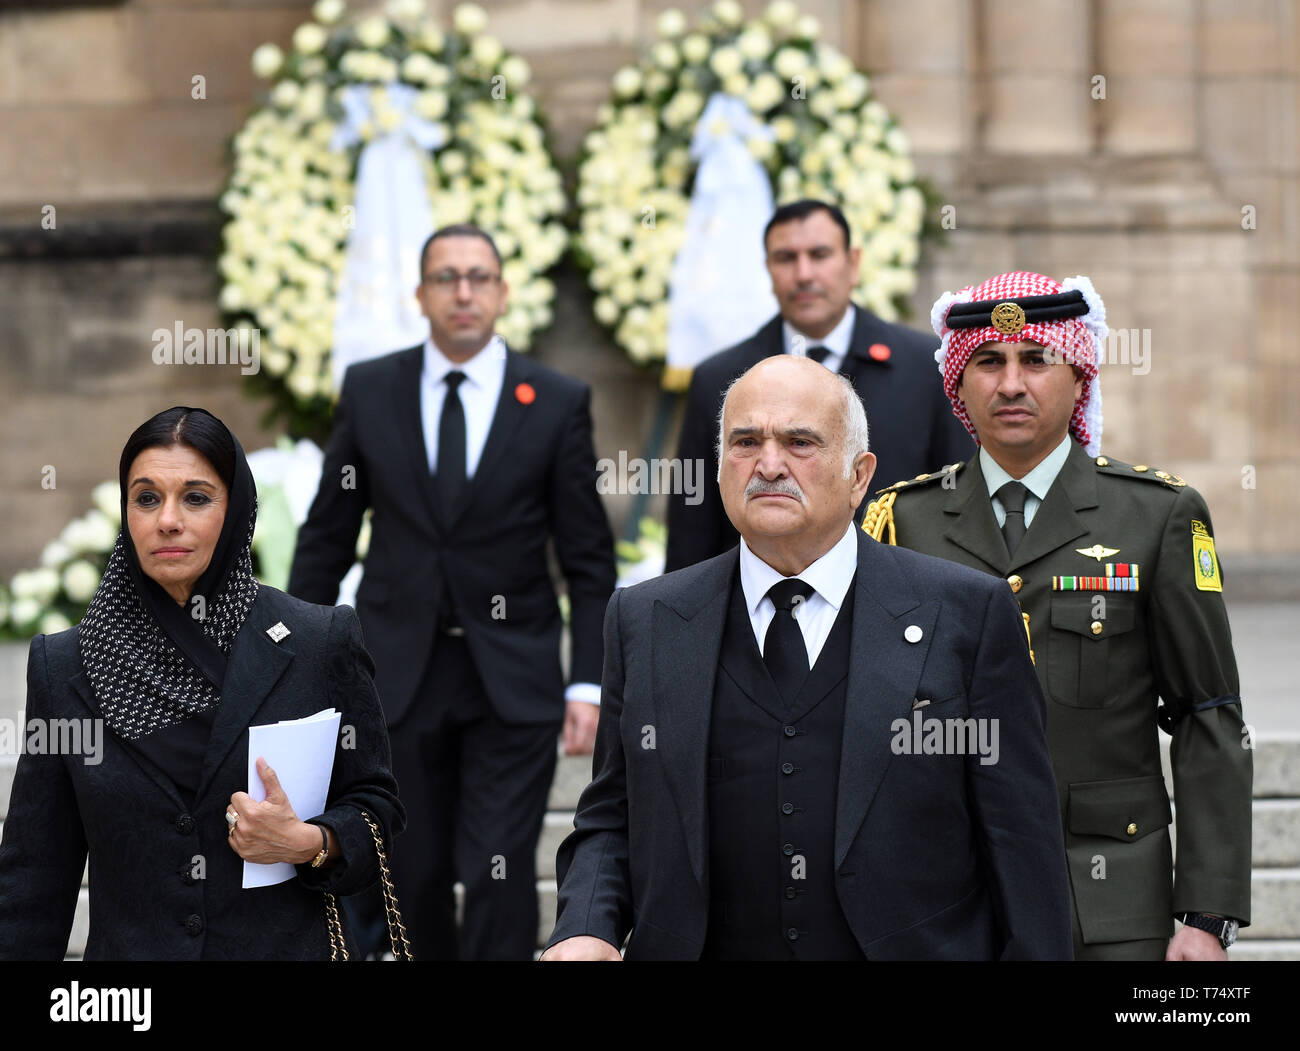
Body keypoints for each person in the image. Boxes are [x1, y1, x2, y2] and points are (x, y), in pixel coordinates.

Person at [543, 355, 1071, 960]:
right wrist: (584, 925)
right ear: (719, 472)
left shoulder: (966, 614)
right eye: (746, 442)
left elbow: (1022, 843)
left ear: (859, 475)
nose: (769, 465)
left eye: (800, 442)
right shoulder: (646, 619)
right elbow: (613, 817)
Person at [862, 270, 1252, 960]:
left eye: (1036, 359)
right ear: (958, 384)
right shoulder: (904, 521)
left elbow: (1207, 711)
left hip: (1109, 906)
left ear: (1078, 375)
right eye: (988, 361)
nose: (1011, 384)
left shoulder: (1155, 515)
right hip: (946, 904)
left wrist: (1206, 912)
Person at [288, 224, 617, 960]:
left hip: (514, 678)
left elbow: (589, 557)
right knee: (411, 869)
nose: (463, 292)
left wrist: (589, 683)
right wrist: (294, 657)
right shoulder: (372, 390)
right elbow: (327, 538)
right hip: (394, 678)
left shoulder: (557, 399)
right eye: (446, 277)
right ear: (421, 294)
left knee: (496, 870)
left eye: (478, 276)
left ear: (501, 292)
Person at [0, 407, 402, 960]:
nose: (168, 520)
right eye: (146, 498)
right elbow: (34, 872)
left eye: (195, 497)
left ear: (235, 510)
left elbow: (376, 804)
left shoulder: (317, 640)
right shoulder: (66, 664)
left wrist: (311, 843)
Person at [664, 199, 971, 572]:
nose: (804, 273)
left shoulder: (925, 366)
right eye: (786, 258)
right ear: (768, 269)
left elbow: (956, 505)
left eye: (820, 254)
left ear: (853, 262)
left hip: (903, 602)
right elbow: (693, 530)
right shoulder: (720, 378)